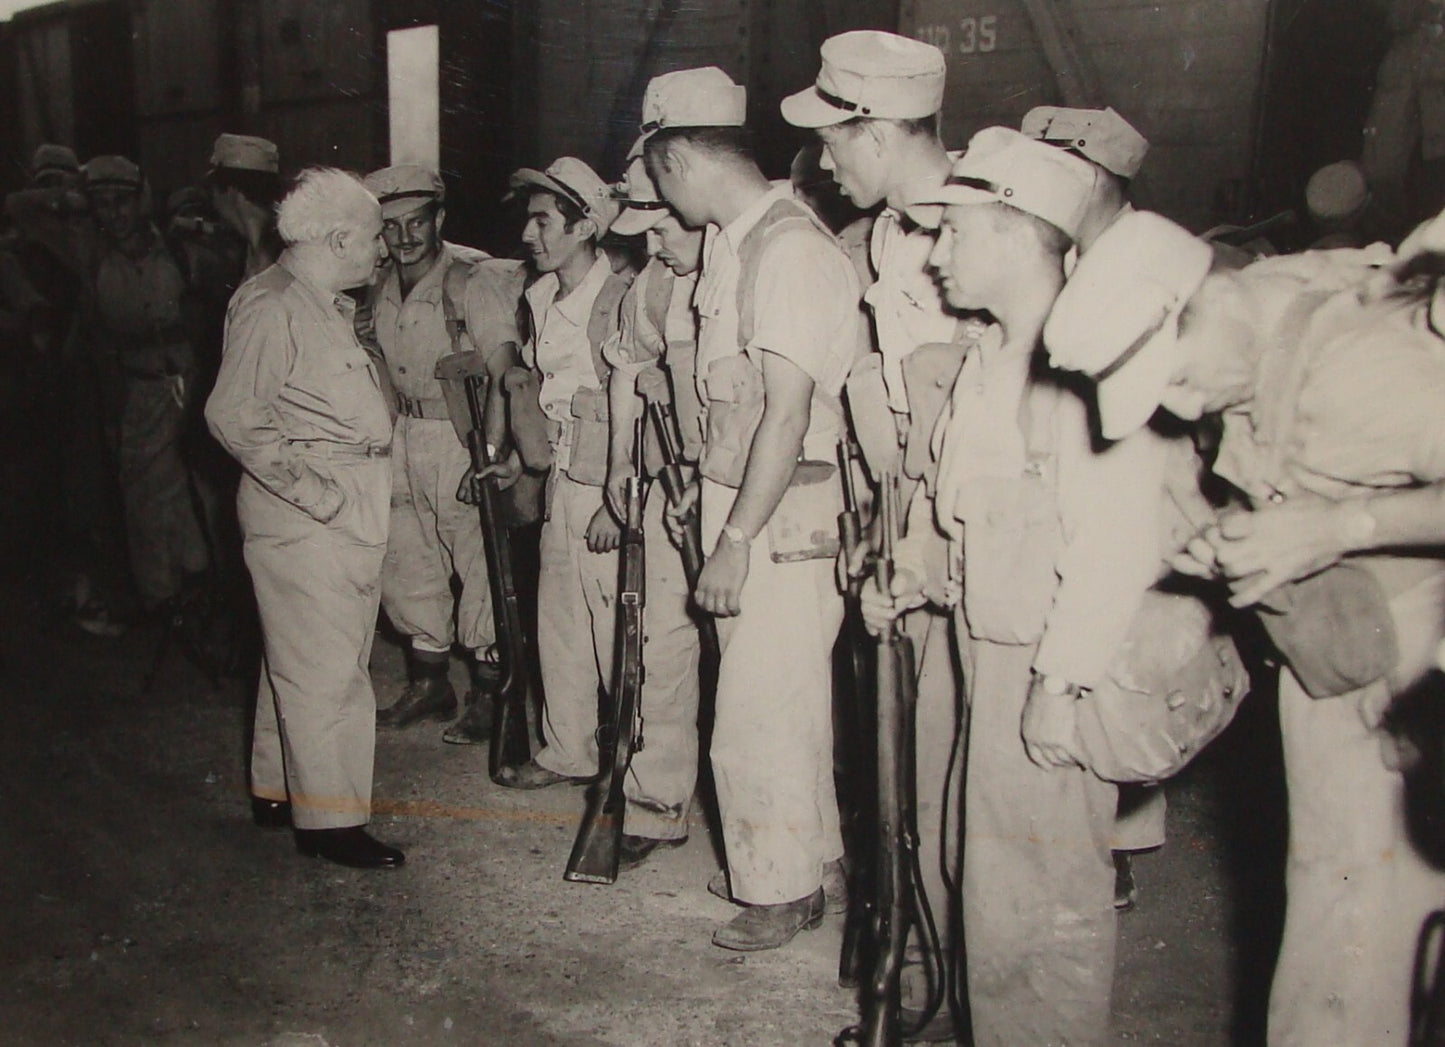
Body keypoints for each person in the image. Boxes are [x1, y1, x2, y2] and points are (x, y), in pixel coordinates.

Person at [1045, 206, 1445, 1046]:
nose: (1180, 405)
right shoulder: (1260, 311)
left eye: (1177, 378)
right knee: (1334, 922)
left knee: (1366, 939)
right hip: (1338, 662)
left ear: (1209, 301)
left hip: (1415, 677)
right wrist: (1243, 534)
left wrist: (1338, 528)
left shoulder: (1367, 365)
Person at [864, 128, 1170, 1044]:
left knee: (1039, 895)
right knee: (971, 863)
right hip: (978, 644)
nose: (937, 255)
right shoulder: (991, 354)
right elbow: (960, 510)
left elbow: (1117, 541)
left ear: (1011, 230)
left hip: (1041, 661)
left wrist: (1060, 683)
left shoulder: (1083, 368)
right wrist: (912, 573)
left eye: (954, 234)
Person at [643, 65, 864, 951]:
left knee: (757, 704)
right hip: (746, 494)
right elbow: (735, 402)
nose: (655, 195)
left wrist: (733, 537)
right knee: (781, 692)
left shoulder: (787, 247)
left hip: (780, 512)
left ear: (682, 157)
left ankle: (779, 890)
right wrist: (709, 480)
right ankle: (814, 862)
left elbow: (790, 410)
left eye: (657, 174)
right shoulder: (737, 242)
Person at [782, 28, 965, 1029]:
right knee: (909, 776)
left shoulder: (965, 228)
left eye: (832, 138)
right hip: (902, 530)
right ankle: (917, 983)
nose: (821, 159)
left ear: (880, 131)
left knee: (957, 795)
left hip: (965, 548)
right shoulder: (893, 234)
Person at [205, 167, 403, 870]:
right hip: (309, 510)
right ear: (340, 237)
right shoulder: (275, 304)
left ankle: (278, 788)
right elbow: (232, 414)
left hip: (334, 498)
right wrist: (319, 495)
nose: (384, 249)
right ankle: (332, 822)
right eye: (376, 236)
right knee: (329, 668)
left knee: (301, 651)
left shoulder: (315, 299)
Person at [358, 164, 521, 738]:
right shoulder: (375, 284)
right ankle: (431, 683)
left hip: (460, 433)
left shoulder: (472, 281)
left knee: (477, 563)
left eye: (416, 224)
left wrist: (493, 449)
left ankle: (487, 689)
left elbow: (506, 371)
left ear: (439, 221)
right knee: (405, 559)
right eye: (390, 227)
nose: (403, 239)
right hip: (400, 431)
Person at [486, 156, 626, 789]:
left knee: (611, 632)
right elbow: (542, 389)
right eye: (529, 221)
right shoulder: (540, 296)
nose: (528, 235)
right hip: (563, 477)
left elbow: (637, 408)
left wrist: (616, 505)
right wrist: (520, 456)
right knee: (561, 622)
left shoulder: (619, 298)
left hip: (606, 484)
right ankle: (568, 751)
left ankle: (629, 762)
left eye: (544, 222)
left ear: (586, 226)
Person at [599, 151, 706, 869]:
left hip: (755, 491)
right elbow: (628, 369)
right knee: (662, 647)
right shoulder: (654, 281)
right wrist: (618, 463)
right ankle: (657, 803)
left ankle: (809, 842)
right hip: (672, 482)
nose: (650, 241)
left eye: (662, 224)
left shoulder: (754, 267)